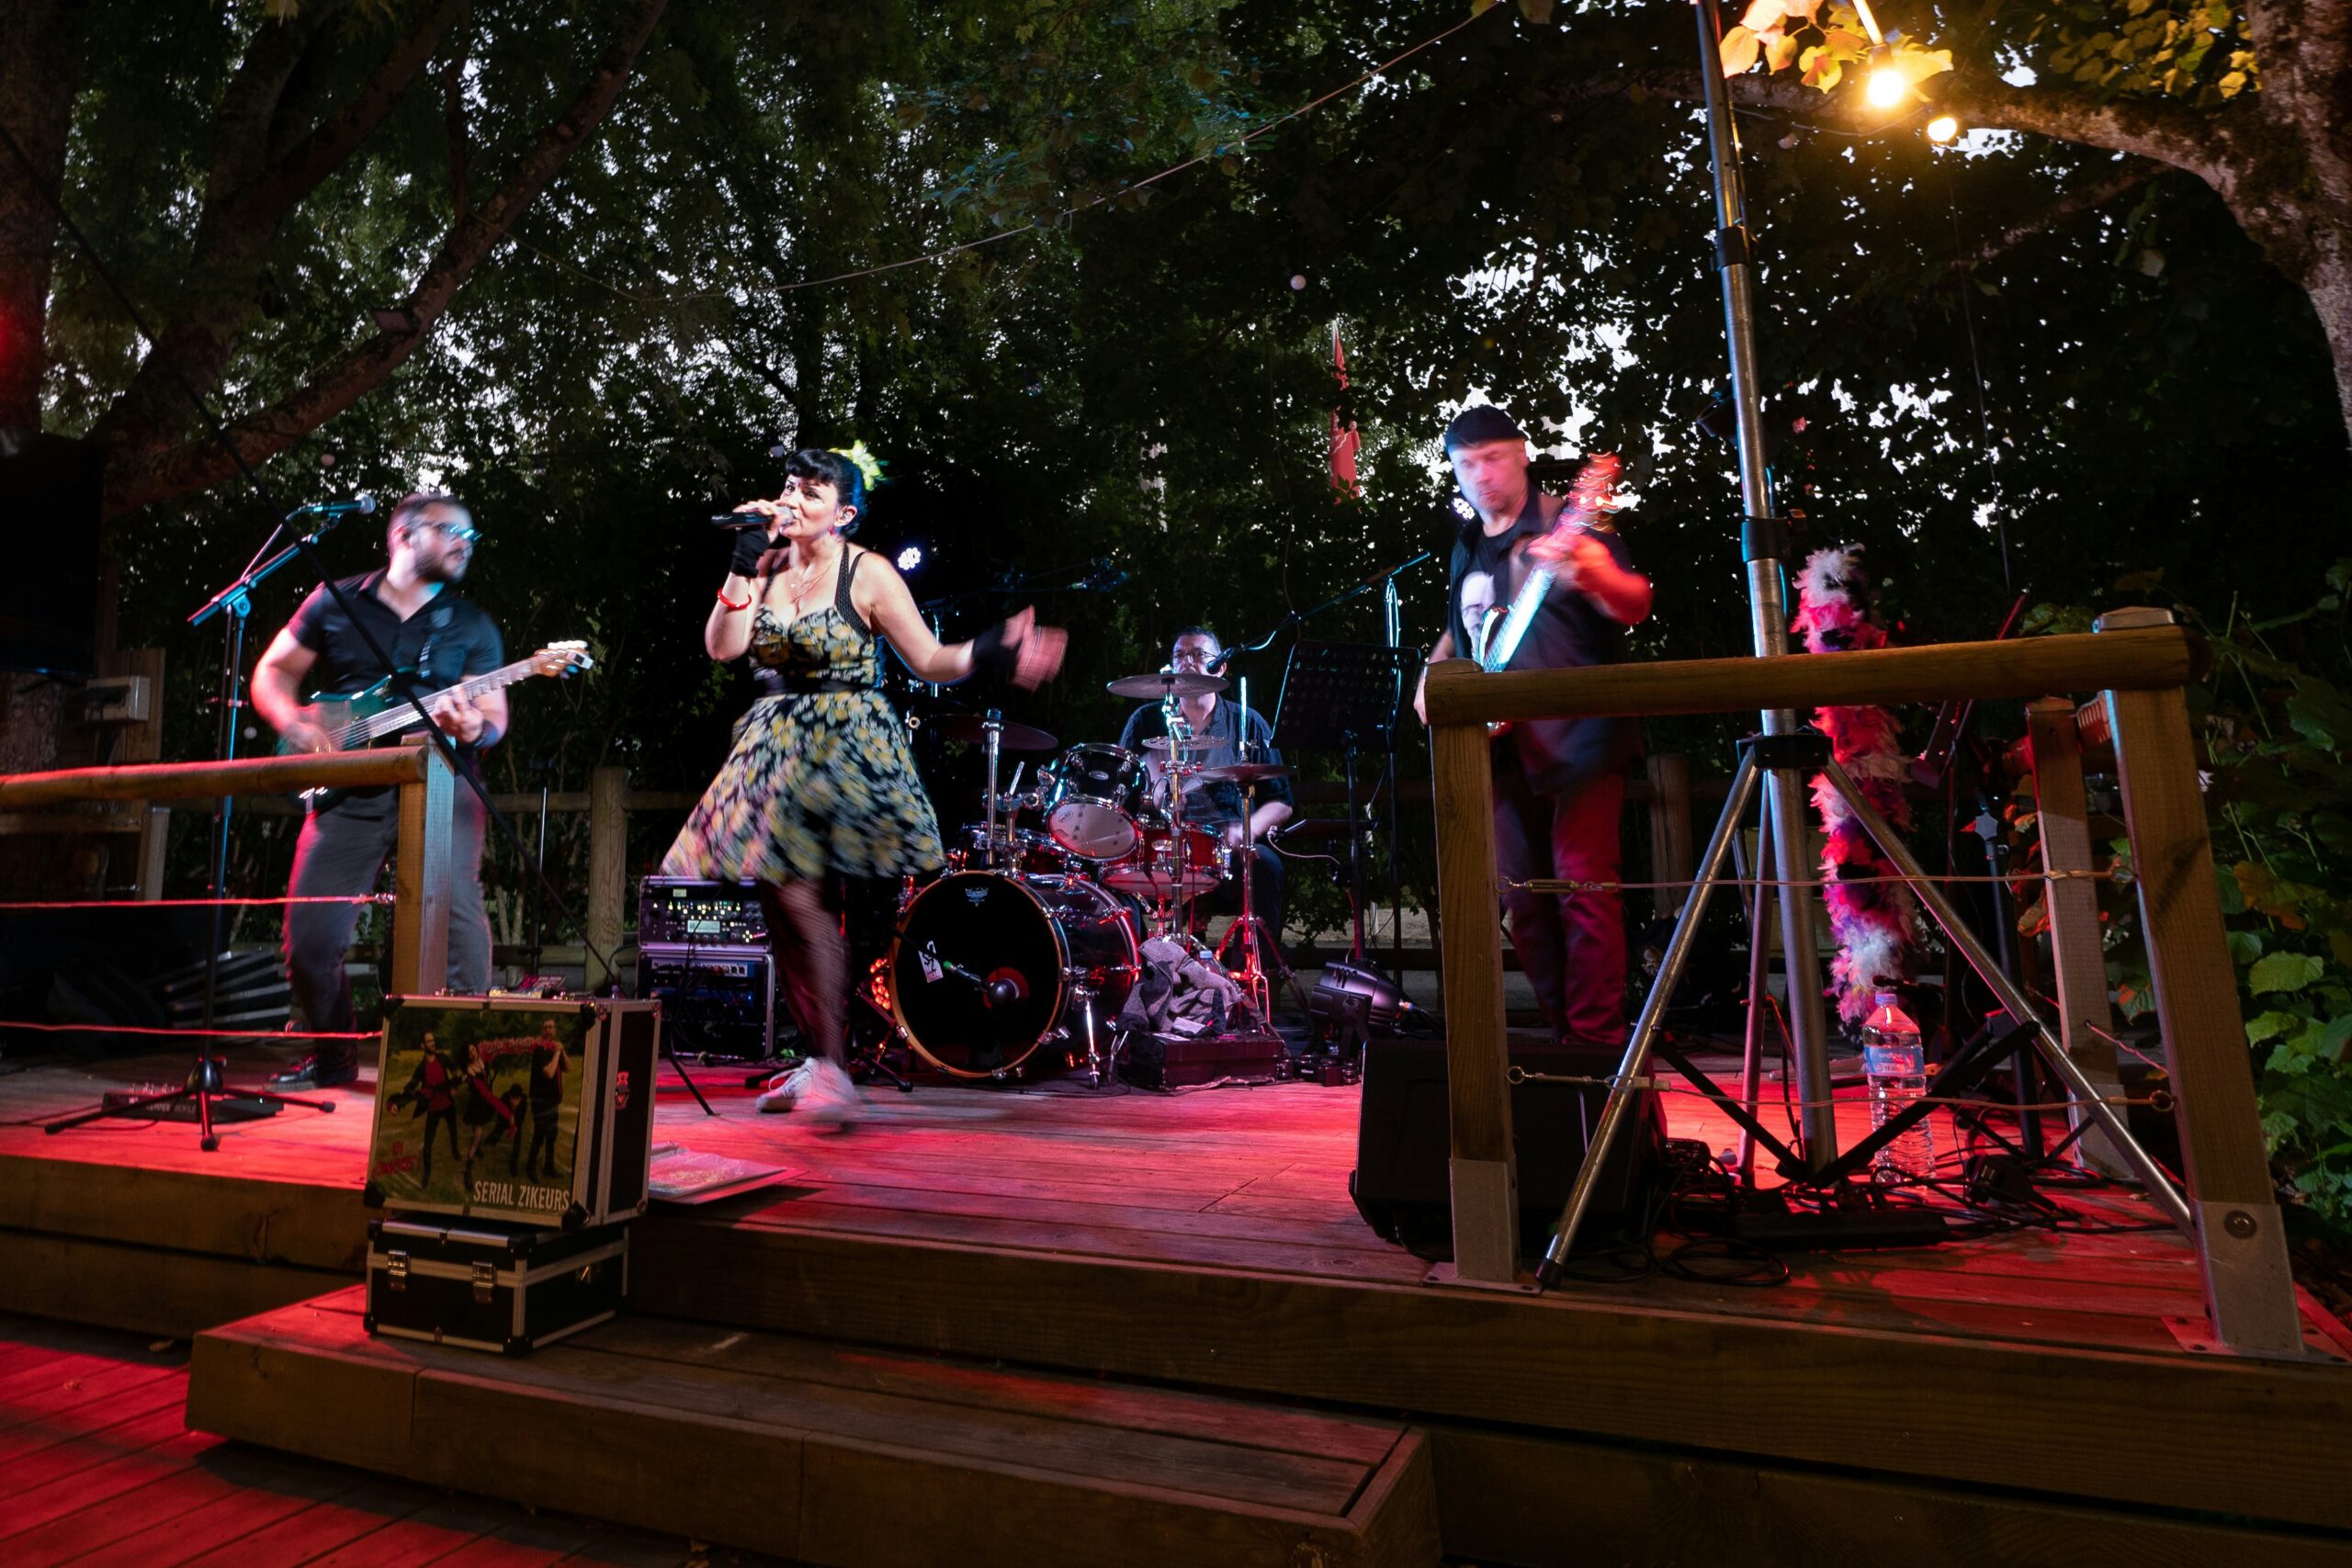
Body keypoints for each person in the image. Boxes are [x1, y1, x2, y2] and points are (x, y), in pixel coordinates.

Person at [662, 446, 1066, 1126]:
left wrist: (992, 645)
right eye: (789, 486)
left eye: (810, 493)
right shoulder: (764, 563)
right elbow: (723, 647)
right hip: (771, 747)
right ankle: (820, 1059)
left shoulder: (868, 572)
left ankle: (831, 1065)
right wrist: (741, 562)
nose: (791, 500)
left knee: (803, 895)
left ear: (843, 514)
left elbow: (930, 659)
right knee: (779, 902)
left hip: (841, 746)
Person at [1414, 406, 1653, 1046]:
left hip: (1581, 743)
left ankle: (1598, 1048)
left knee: (1584, 891)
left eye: (1493, 458)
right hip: (1499, 749)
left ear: (1522, 454)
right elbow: (1469, 628)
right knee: (1523, 903)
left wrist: (1594, 573)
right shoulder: (1469, 545)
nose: (1482, 475)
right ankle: (1562, 1043)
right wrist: (1433, 672)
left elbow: (1634, 602)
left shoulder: (1567, 522)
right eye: (1467, 464)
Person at [252, 493, 505, 1089]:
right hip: (347, 785)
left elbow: (494, 714)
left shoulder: (471, 624)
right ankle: (334, 1055)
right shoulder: (335, 600)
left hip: (443, 781)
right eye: (450, 532)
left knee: (459, 926)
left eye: (471, 536)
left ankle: (465, 1062)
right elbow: (273, 671)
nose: (464, 544)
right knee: (310, 940)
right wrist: (295, 723)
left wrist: (475, 727)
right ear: (404, 535)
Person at [1116, 626, 1294, 949]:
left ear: (1220, 667)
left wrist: (1247, 830)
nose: (1187, 662)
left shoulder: (1247, 722)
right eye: (1179, 656)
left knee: (1266, 866)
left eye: (1198, 654)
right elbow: (1122, 799)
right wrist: (1154, 795)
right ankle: (1141, 964)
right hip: (1160, 847)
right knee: (1109, 870)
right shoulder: (1145, 721)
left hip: (1224, 851)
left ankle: (1248, 970)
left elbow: (1281, 801)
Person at [523, 1020, 569, 1182]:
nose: (548, 1030)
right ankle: (530, 1167)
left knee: (552, 1136)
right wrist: (557, 1053)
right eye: (545, 1027)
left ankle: (549, 1167)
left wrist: (561, 1051)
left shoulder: (554, 1049)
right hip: (541, 1101)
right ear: (542, 1031)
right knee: (539, 1136)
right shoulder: (539, 1050)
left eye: (551, 1027)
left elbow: (568, 1068)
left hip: (553, 1101)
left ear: (555, 1031)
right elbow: (548, 1073)